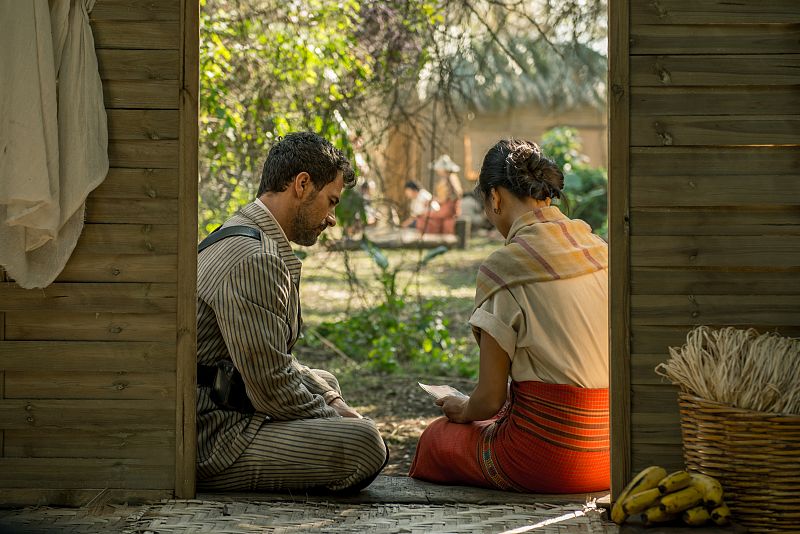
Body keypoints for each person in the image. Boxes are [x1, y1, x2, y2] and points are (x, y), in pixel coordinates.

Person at [409, 138, 609, 493]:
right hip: (613, 453)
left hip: (550, 458)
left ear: (495, 198)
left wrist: (462, 409)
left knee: (437, 438)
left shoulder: (505, 266)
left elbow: (489, 399)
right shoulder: (599, 249)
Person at [196, 132, 388, 493]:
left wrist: (330, 400)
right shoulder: (255, 258)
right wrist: (338, 419)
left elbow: (271, 359)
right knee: (365, 444)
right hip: (212, 436)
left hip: (225, 406)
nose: (332, 219)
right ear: (302, 184)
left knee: (327, 383)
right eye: (331, 202)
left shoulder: (242, 230)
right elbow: (271, 386)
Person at [417, 155, 463, 234]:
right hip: (446, 208)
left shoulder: (450, 180)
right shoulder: (449, 179)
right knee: (424, 215)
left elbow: (445, 199)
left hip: (448, 209)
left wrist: (432, 200)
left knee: (424, 216)